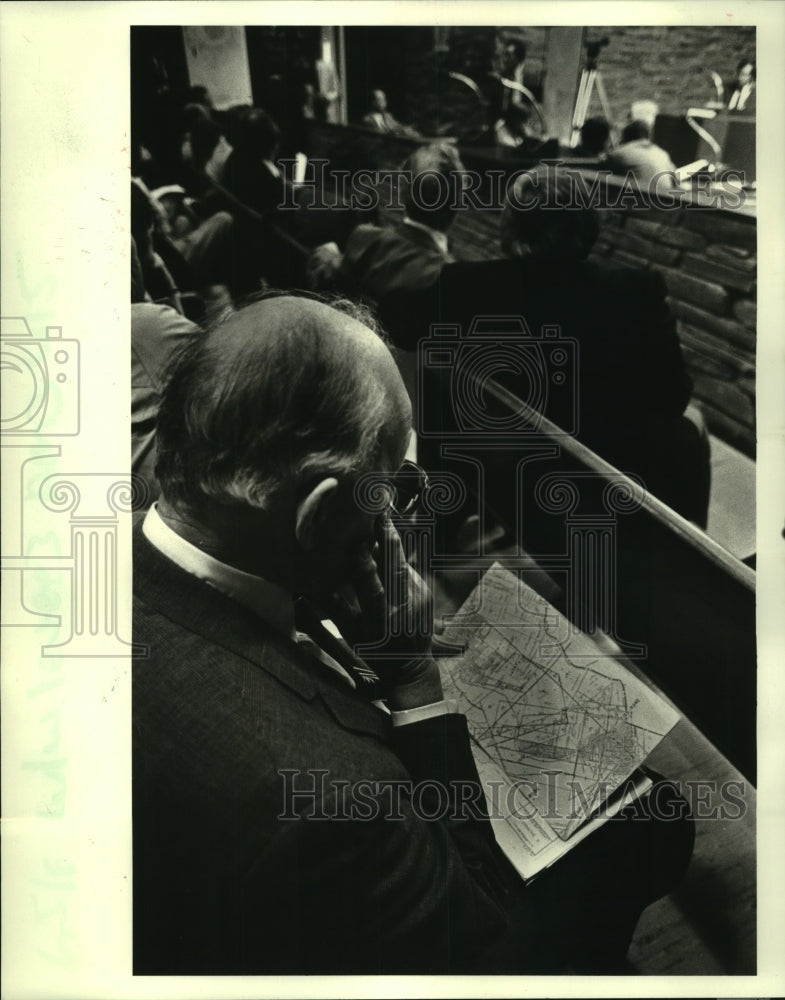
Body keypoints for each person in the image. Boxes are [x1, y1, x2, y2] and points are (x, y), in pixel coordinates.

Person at [133, 292, 694, 975]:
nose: (407, 498)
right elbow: (479, 939)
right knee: (654, 815)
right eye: (396, 481)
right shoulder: (342, 807)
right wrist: (415, 684)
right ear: (318, 515)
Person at [379, 165, 710, 527]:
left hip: (514, 481)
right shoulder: (637, 289)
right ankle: (692, 562)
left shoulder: (466, 287)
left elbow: (397, 323)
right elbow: (674, 396)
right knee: (694, 422)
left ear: (512, 225)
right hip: (619, 474)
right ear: (586, 222)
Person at [307, 143, 463, 301]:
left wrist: (330, 256)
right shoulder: (448, 278)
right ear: (457, 205)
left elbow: (326, 276)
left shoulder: (364, 239)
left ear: (403, 193)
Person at [605, 119, 676, 188]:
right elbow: (674, 179)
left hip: (638, 197)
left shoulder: (619, 153)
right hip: (665, 198)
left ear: (626, 136)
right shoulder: (662, 154)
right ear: (648, 136)